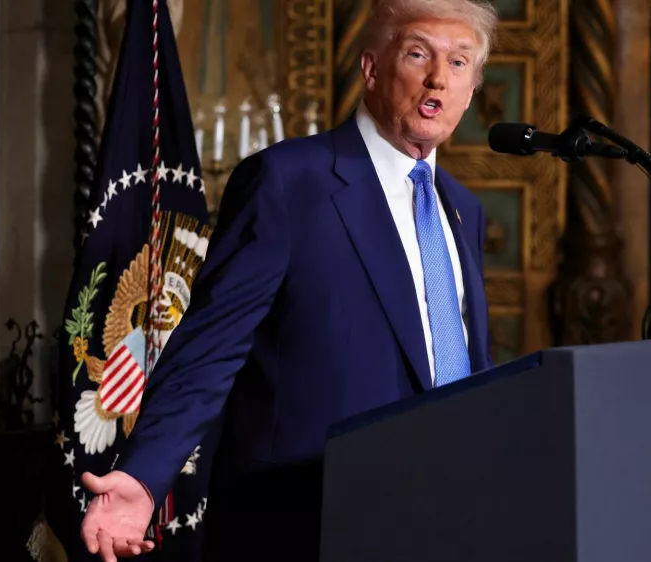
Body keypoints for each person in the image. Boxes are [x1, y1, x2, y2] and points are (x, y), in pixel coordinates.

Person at [80, 0, 499, 560]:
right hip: (304, 524)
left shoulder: (462, 211)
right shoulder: (289, 182)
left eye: (459, 62)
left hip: (438, 523)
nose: (437, 78)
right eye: (418, 53)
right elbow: (210, 349)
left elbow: (468, 372)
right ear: (372, 67)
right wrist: (144, 477)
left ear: (472, 88)